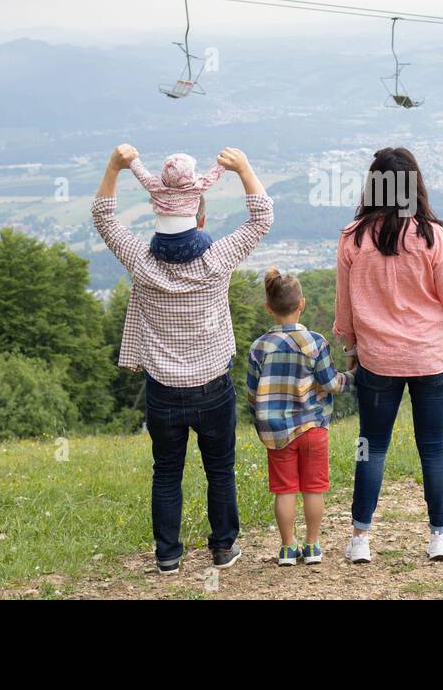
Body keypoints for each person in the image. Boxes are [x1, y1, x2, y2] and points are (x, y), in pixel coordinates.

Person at [92, 143, 272, 574]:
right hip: (212, 387)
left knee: (167, 473)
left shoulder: (140, 260)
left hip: (163, 393)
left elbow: (103, 217)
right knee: (221, 471)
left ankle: (168, 555)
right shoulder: (217, 259)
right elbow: (262, 216)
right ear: (201, 218)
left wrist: (115, 167)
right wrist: (244, 167)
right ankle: (223, 548)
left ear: (158, 215)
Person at [334, 147, 443, 564]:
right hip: (432, 358)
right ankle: (438, 537)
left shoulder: (353, 237)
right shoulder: (430, 235)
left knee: (370, 446)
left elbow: (344, 306)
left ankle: (360, 540)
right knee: (434, 447)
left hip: (377, 360)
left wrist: (351, 349)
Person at [246, 268, 355, 566]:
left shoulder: (259, 347)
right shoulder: (315, 342)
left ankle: (286, 548)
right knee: (313, 488)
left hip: (277, 432)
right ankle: (313, 545)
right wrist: (355, 376)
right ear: (302, 304)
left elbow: (252, 394)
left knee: (284, 490)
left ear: (268, 307)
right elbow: (331, 383)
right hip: (312, 427)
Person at [129, 152, 224, 263]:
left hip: (160, 250)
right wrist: (222, 162)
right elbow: (213, 175)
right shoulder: (195, 189)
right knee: (205, 237)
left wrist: (132, 159)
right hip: (189, 247)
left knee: (154, 239)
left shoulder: (154, 187)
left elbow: (140, 172)